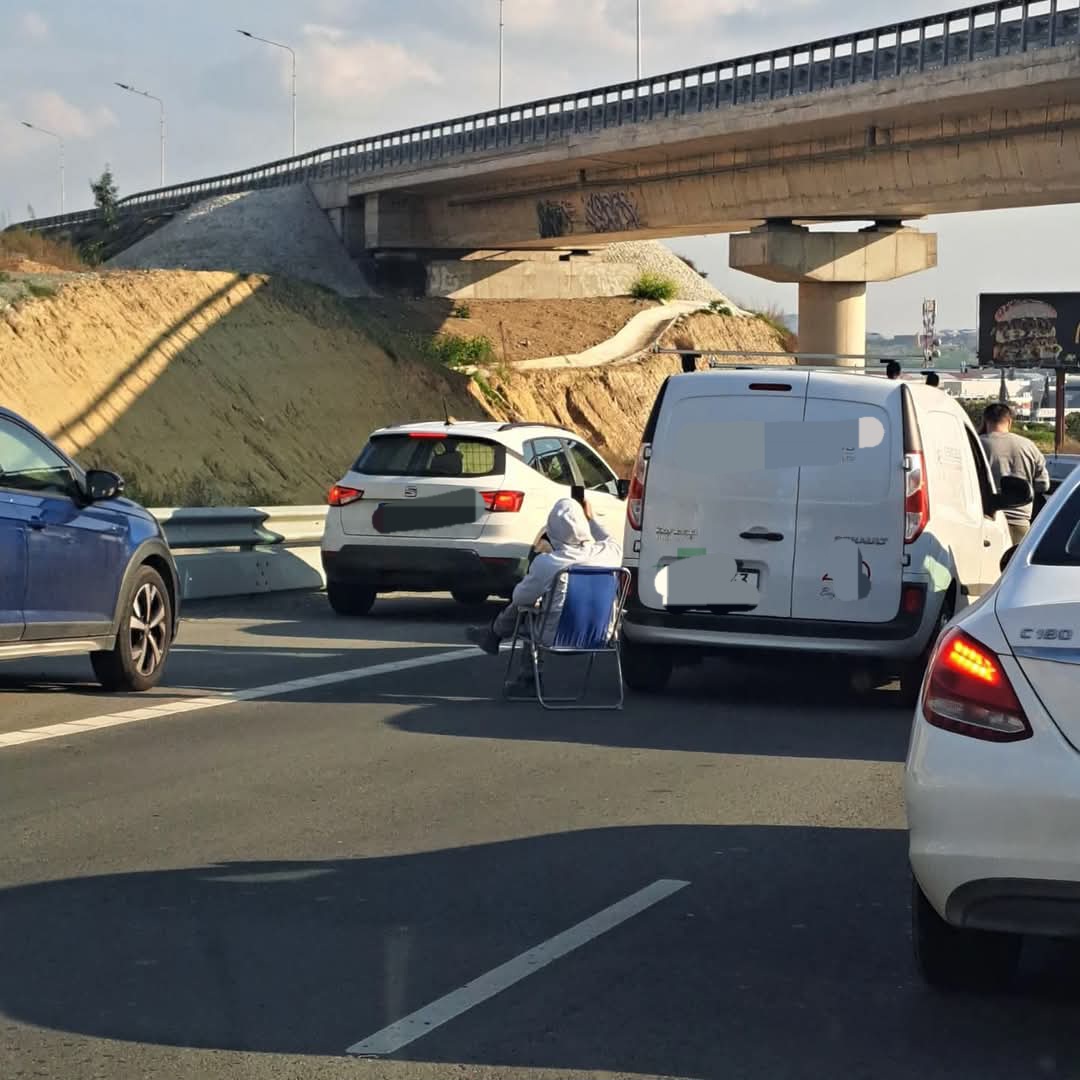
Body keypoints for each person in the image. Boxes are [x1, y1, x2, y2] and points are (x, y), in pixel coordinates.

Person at [467, 496, 622, 692]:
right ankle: (492, 635)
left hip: (556, 637)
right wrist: (590, 518)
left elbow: (520, 599)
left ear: (552, 529)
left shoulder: (548, 563)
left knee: (528, 612)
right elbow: (609, 539)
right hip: (601, 635)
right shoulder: (609, 554)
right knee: (537, 607)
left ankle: (526, 678)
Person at [980, 402, 1050, 546]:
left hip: (986, 520)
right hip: (1020, 521)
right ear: (1009, 421)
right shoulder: (1029, 446)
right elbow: (1043, 485)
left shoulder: (977, 445)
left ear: (985, 420)